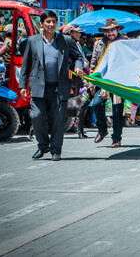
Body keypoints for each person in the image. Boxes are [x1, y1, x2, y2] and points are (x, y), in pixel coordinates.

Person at [19, 11, 84, 161]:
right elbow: (25, 65)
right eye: (48, 21)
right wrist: (22, 85)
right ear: (41, 24)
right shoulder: (32, 41)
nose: (51, 24)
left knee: (58, 120)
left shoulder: (65, 41)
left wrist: (78, 66)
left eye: (53, 22)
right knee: (36, 116)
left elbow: (78, 56)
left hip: (59, 87)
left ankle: (56, 150)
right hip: (38, 87)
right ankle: (43, 146)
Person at [91, 18, 126, 148]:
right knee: (96, 104)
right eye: (108, 31)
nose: (110, 33)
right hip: (102, 81)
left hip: (118, 83)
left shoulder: (124, 43)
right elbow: (94, 63)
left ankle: (116, 138)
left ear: (117, 30)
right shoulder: (98, 44)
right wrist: (92, 83)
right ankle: (102, 129)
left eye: (112, 30)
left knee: (117, 111)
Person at [62, 24, 87, 97]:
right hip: (68, 79)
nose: (79, 34)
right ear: (70, 33)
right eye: (77, 32)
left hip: (76, 79)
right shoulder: (63, 45)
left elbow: (79, 58)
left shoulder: (77, 44)